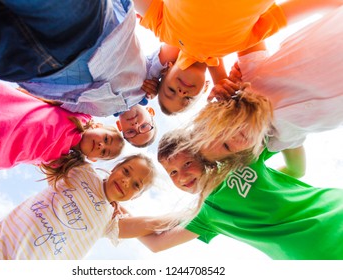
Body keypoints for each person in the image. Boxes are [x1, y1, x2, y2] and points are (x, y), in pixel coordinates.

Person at [0, 0, 174, 123]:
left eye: (131, 132)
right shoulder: (150, 78)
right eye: (144, 127)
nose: (135, 125)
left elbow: (62, 106)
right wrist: (170, 83)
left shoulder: (97, 112)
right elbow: (175, 49)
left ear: (119, 126)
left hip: (29, 69)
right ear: (151, 114)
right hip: (92, 31)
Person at [140, 130, 343, 260]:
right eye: (173, 173)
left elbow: (284, 134)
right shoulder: (207, 214)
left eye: (187, 164)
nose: (182, 176)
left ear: (203, 157)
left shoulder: (239, 159)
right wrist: (112, 212)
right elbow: (158, 244)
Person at [188, 5, 343, 163]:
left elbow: (245, 27)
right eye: (227, 147)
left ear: (219, 113)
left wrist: (220, 79)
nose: (230, 136)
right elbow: (297, 170)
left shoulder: (250, 78)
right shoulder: (283, 138)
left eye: (219, 130)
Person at [134, 0, 342, 114]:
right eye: (187, 98)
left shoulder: (163, 28)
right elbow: (307, 6)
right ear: (205, 88)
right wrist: (223, 82)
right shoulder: (242, 42)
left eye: (171, 91)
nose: (181, 92)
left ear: (167, 69)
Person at [0, 154, 175, 260]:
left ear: (135, 196)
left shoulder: (110, 220)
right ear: (115, 167)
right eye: (126, 171)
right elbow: (60, 140)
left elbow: (154, 227)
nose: (127, 181)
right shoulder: (81, 170)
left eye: (136, 185)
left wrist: (191, 215)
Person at [0, 69, 124, 184]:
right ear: (98, 125)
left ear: (94, 159)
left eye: (104, 152)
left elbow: (86, 187)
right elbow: (99, 95)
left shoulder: (65, 164)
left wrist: (116, 210)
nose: (101, 145)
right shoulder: (80, 115)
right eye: (106, 139)